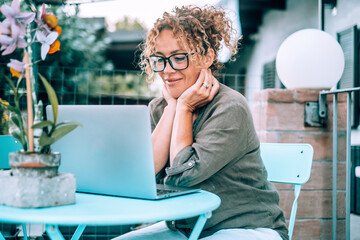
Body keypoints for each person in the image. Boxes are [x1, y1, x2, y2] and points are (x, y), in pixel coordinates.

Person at [114, 4, 288, 240]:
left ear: (207, 57)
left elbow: (183, 178)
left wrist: (185, 107)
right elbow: (142, 174)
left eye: (178, 57)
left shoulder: (229, 107)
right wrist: (174, 107)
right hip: (187, 229)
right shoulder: (160, 108)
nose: (167, 70)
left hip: (246, 228)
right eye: (160, 59)